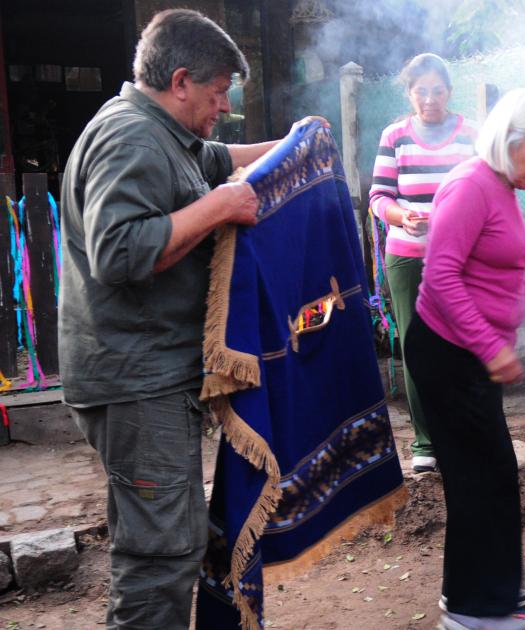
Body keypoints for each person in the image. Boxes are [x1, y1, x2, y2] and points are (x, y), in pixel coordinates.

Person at [57, 9, 325, 629]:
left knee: (171, 536)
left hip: (147, 374)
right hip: (135, 379)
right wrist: (219, 207)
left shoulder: (162, 134)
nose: (225, 105)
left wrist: (295, 145)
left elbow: (218, 157)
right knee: (161, 553)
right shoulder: (130, 138)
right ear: (180, 81)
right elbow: (119, 252)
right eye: (219, 91)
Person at [405, 88, 525, 630]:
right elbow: (441, 276)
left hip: (468, 354)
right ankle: (471, 608)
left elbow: (489, 262)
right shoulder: (472, 185)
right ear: (509, 138)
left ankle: (489, 586)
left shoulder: (500, 186)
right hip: (449, 353)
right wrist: (490, 347)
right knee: (479, 475)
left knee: (491, 470)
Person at [368, 53, 477, 474]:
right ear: (409, 93)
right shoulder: (395, 136)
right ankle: (425, 441)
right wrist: (403, 217)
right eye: (421, 91)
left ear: (450, 91)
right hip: (407, 257)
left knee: (461, 343)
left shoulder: (470, 135)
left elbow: (482, 191)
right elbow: (380, 197)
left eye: (437, 90)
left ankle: (462, 432)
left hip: (460, 258)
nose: (430, 99)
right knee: (417, 347)